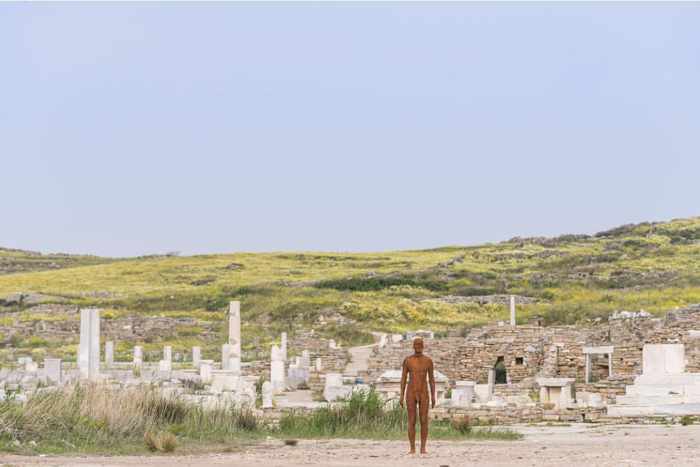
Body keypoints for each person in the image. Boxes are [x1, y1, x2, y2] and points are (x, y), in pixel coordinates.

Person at [399, 337, 436, 454]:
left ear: (423, 346)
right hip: (411, 392)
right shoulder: (408, 360)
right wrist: (401, 395)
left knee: (424, 420)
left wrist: (434, 395)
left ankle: (423, 448)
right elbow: (403, 378)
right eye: (416, 344)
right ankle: (412, 448)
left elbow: (431, 379)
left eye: (420, 344)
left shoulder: (428, 361)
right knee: (411, 420)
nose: (418, 346)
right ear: (413, 346)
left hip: (424, 391)